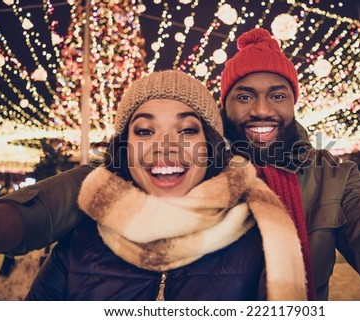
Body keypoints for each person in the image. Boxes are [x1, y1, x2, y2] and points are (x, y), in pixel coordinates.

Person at [0, 28, 360, 300]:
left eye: (277, 95)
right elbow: (82, 189)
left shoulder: (330, 176)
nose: (262, 110)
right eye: (244, 96)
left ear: (293, 103)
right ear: (224, 108)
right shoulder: (201, 167)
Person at [24, 70, 309, 300]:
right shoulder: (78, 243)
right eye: (145, 131)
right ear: (125, 149)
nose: (165, 146)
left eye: (186, 130)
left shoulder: (258, 243)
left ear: (210, 148)